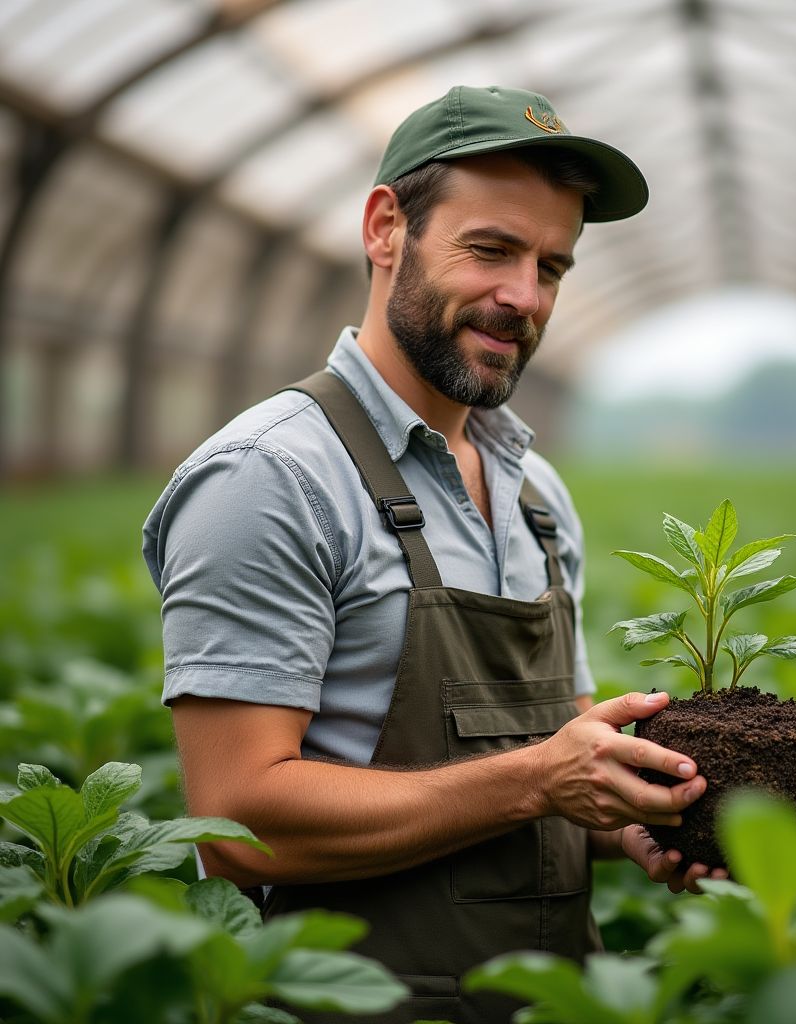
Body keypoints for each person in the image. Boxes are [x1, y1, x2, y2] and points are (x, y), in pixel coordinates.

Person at [143, 85, 720, 1023]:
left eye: (552, 266)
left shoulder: (537, 497)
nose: (523, 297)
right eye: (490, 249)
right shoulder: (273, 477)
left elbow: (556, 754)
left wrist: (628, 824)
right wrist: (540, 779)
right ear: (385, 228)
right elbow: (238, 826)